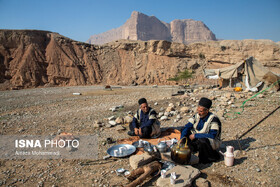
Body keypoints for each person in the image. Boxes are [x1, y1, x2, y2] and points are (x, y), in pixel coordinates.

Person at [180, 97, 221, 164]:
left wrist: (196, 135)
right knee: (184, 130)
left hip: (210, 141)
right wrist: (182, 138)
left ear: (206, 111)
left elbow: (212, 135)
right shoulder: (197, 116)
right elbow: (187, 126)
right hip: (198, 138)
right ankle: (191, 149)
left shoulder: (213, 119)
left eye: (201, 111)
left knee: (202, 140)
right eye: (198, 110)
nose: (199, 113)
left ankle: (206, 158)